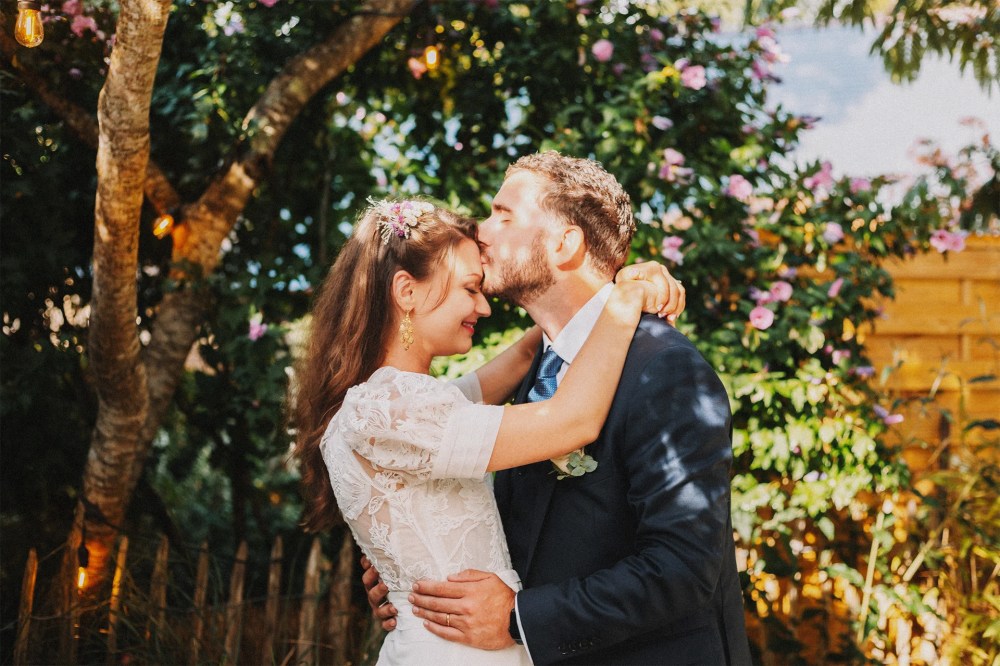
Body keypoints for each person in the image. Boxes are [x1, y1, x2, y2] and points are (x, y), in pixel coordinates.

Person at [364, 152, 752, 665]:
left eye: (504, 215)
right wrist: (415, 566)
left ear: (565, 243)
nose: (482, 230)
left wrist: (517, 618)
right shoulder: (533, 372)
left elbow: (683, 567)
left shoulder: (665, 368)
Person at [293, 198, 682, 665]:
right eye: (469, 289)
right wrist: (625, 300)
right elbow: (571, 420)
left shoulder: (402, 403)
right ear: (406, 291)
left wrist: (594, 294)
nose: (484, 306)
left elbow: (518, 361)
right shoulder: (392, 410)